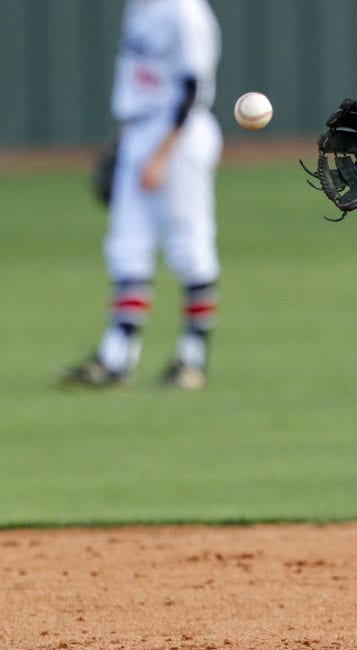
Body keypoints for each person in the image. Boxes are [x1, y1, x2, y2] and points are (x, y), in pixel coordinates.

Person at [59, 0, 222, 391]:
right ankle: (117, 357)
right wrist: (129, 143)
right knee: (127, 245)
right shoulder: (140, 7)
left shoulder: (184, 11)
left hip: (178, 135)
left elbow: (191, 86)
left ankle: (192, 358)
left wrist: (161, 154)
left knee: (190, 244)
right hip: (139, 129)